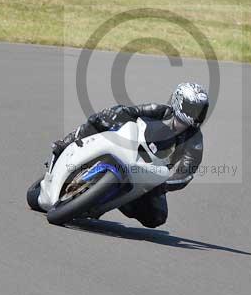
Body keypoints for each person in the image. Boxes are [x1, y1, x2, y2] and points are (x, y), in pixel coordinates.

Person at [50, 82, 208, 228]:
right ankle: (67, 142)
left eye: (200, 112)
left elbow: (187, 172)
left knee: (157, 218)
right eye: (192, 110)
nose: (195, 116)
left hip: (150, 172)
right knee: (97, 120)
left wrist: (164, 185)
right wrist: (111, 117)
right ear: (178, 103)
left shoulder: (195, 140)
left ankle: (112, 199)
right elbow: (127, 112)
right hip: (128, 147)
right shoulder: (158, 110)